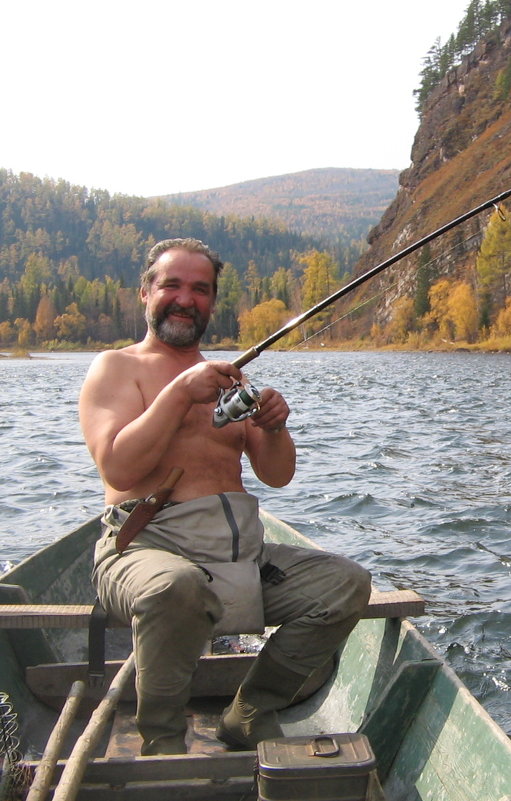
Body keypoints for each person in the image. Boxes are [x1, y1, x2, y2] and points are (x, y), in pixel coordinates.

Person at [79, 237, 371, 755]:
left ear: (212, 303)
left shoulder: (231, 380)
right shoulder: (115, 368)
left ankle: (249, 711)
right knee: (176, 585)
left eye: (200, 289)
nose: (185, 298)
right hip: (141, 553)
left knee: (343, 584)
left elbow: (276, 475)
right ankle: (162, 740)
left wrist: (276, 427)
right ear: (145, 293)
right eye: (172, 284)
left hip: (235, 557)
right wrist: (177, 394)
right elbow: (118, 466)